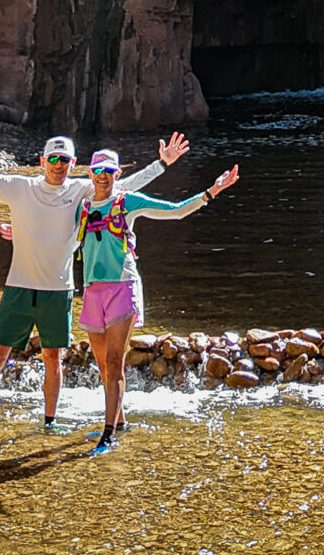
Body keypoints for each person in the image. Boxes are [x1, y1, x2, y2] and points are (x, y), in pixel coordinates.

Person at [0, 125, 189, 448]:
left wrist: (163, 164)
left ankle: (50, 422)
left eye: (65, 160)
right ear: (42, 161)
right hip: (18, 286)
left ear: (73, 164)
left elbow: (121, 187)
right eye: (53, 158)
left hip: (59, 291)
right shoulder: (20, 188)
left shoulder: (81, 191)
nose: (59, 165)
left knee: (53, 357)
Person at [78, 147, 239, 451]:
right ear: (90, 173)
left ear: (117, 174)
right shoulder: (82, 207)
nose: (103, 177)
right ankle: (120, 421)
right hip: (92, 290)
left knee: (115, 362)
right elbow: (57, 234)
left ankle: (108, 433)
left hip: (122, 288)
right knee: (103, 365)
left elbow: (176, 210)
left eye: (109, 172)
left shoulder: (128, 202)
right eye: (98, 171)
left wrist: (211, 192)